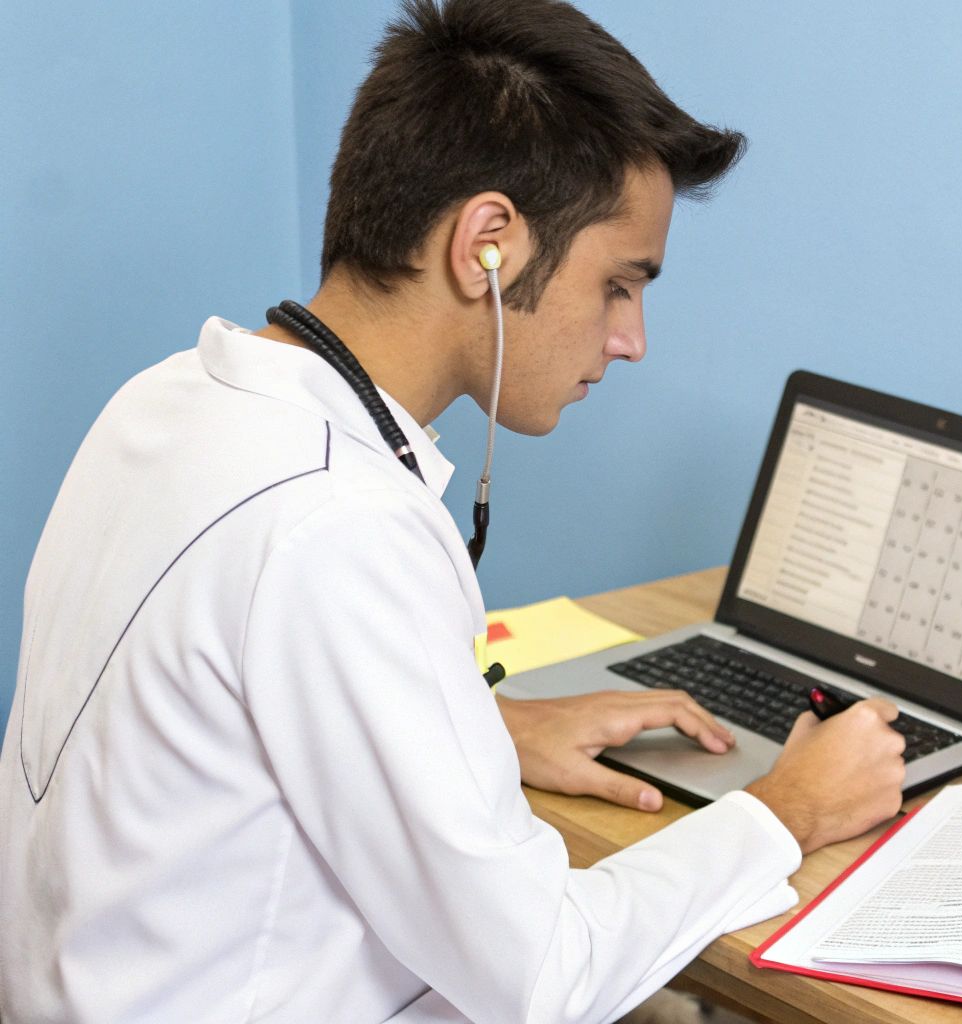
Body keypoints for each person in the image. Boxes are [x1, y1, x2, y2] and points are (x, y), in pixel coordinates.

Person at [0, 1, 907, 1020]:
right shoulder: (337, 524)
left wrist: (479, 726)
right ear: (488, 244)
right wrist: (787, 810)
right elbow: (542, 977)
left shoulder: (174, 401)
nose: (631, 339)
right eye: (618, 284)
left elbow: (225, 706)